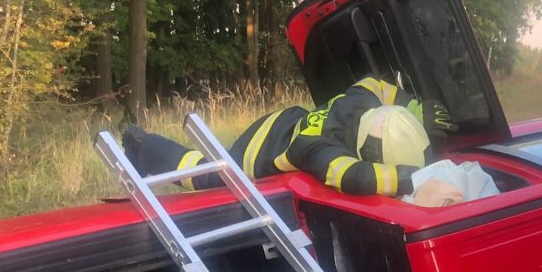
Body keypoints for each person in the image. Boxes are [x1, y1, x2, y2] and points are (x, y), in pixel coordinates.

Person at [123, 76, 455, 197]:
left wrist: (412, 105)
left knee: (205, 168)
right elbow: (354, 176)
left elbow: (376, 84)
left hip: (285, 120)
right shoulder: (320, 150)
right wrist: (412, 179)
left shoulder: (361, 104)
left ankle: (143, 147)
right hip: (259, 150)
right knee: (203, 173)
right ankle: (141, 146)